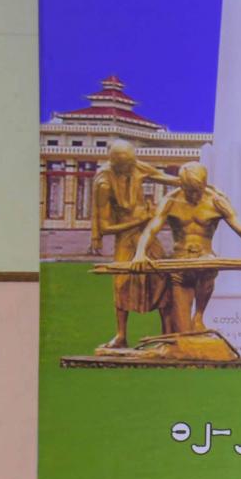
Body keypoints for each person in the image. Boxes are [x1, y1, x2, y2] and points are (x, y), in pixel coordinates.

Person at [130, 162, 241, 335]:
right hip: (179, 265)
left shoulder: (216, 201)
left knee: (209, 264)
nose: (194, 195)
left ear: (204, 185)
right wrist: (140, 253)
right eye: (190, 191)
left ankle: (199, 316)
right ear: (182, 185)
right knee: (182, 331)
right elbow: (151, 229)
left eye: (198, 191)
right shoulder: (170, 201)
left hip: (205, 263)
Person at [90, 140, 177, 348]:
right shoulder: (104, 183)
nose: (132, 167)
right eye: (127, 165)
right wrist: (141, 220)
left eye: (132, 162)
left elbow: (165, 178)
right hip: (126, 237)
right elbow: (105, 227)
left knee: (162, 278)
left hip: (147, 235)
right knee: (122, 283)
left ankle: (167, 335)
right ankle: (121, 335)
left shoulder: (135, 165)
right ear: (117, 164)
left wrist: (191, 181)